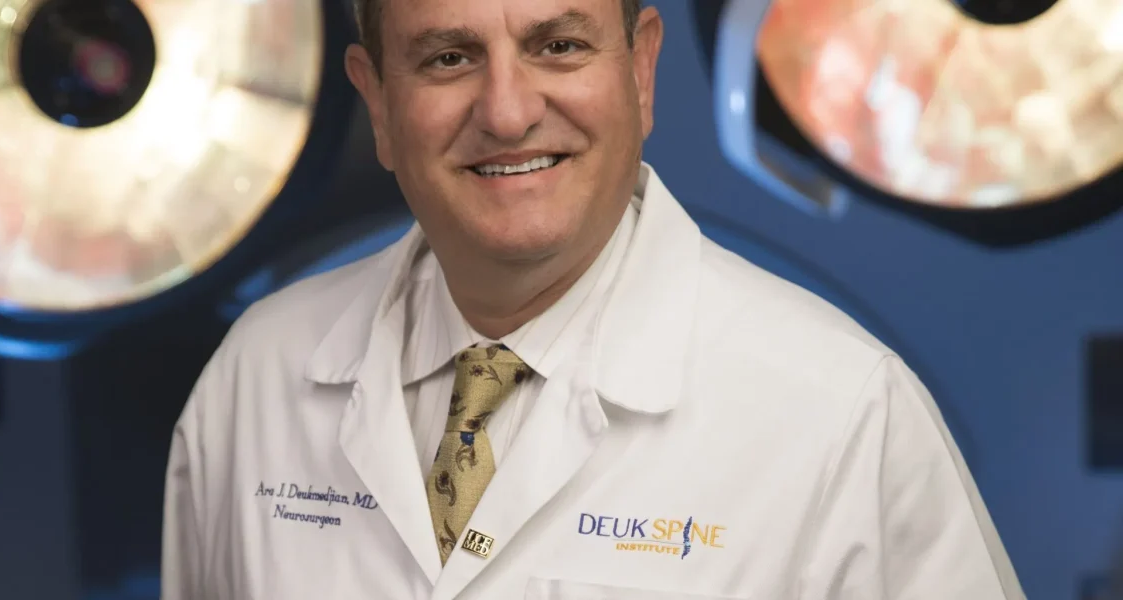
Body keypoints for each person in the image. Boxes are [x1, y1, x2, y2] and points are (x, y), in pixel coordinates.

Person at [161, 0, 1027, 598]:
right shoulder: (256, 379)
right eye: (448, 57)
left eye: (558, 46)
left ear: (641, 70)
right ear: (378, 102)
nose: (505, 112)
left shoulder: (844, 412)